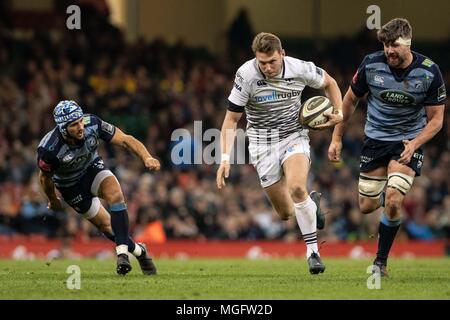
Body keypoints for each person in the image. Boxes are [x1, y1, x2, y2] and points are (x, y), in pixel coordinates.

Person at [216, 32, 343, 274]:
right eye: (262, 62)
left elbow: (330, 83)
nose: (267, 67)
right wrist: (224, 159)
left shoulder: (299, 68)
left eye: (272, 61)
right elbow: (231, 120)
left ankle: (313, 252)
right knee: (285, 212)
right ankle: (310, 205)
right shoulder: (246, 74)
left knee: (296, 187)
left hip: (293, 134)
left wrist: (339, 113)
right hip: (261, 143)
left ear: (282, 54)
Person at [328, 18, 446, 276]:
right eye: (385, 45)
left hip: (407, 142)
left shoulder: (429, 71)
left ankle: (380, 263)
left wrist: (415, 143)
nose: (389, 50)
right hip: (375, 140)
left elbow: (436, 119)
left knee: (393, 201)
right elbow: (349, 101)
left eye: (394, 45)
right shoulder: (371, 64)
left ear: (408, 43)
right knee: (367, 206)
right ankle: (389, 189)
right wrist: (336, 137)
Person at [37, 100, 161, 275]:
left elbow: (125, 139)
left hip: (92, 169)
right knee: (107, 226)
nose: (80, 126)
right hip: (70, 187)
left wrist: (147, 157)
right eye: (74, 125)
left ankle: (122, 254)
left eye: (80, 120)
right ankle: (140, 252)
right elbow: (44, 178)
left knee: (116, 194)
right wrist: (52, 199)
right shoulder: (49, 150)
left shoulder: (92, 123)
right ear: (63, 128)